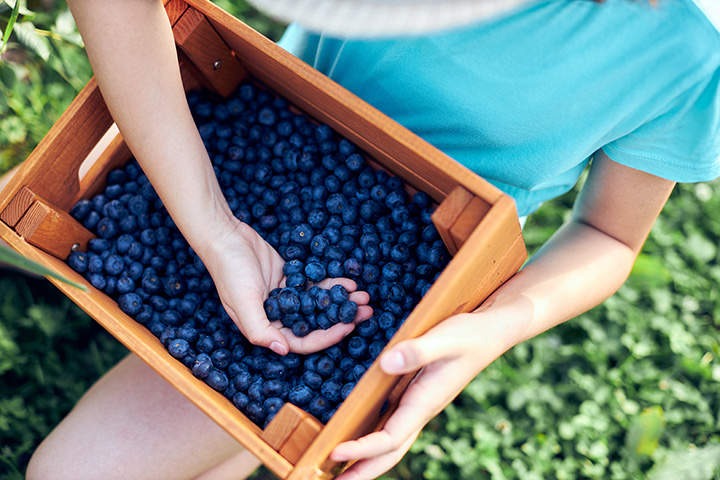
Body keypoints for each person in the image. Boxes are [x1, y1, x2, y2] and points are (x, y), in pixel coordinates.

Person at [26, 0, 720, 479]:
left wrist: (496, 328)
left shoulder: (685, 51)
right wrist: (211, 222)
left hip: (399, 276)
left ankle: (244, 442)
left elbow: (608, 236)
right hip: (263, 135)